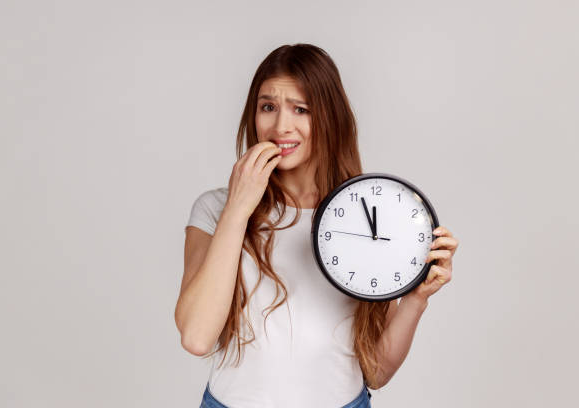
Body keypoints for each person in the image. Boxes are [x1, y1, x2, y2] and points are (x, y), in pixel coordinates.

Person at [175, 43, 459, 408]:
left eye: (301, 109)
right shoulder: (215, 209)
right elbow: (197, 337)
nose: (281, 126)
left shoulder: (371, 213)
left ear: (329, 117)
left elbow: (376, 373)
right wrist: (238, 208)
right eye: (268, 107)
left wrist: (416, 296)